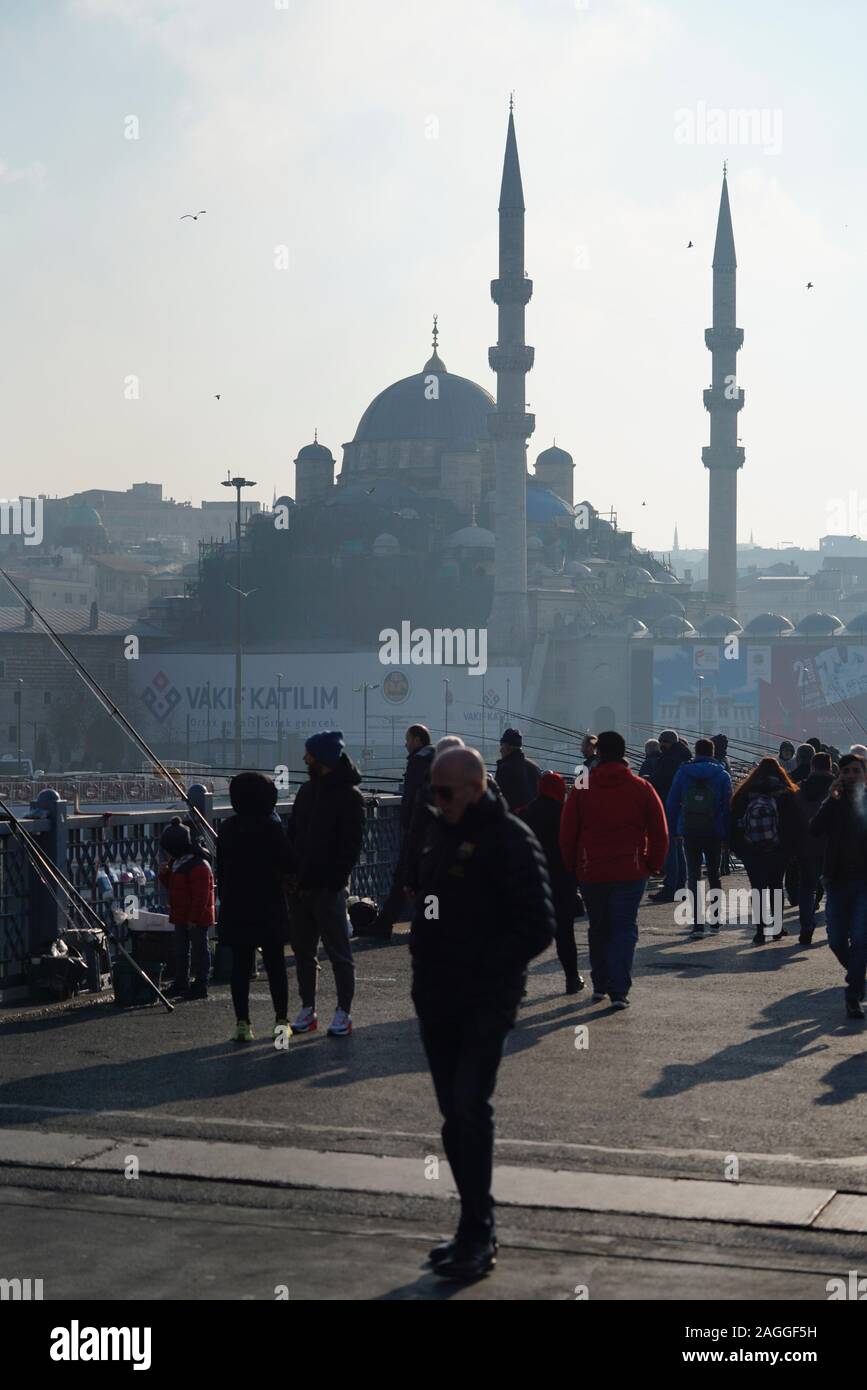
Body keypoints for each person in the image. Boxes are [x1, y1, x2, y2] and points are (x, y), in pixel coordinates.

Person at [411, 746, 554, 1281]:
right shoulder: (437, 831)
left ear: (476, 787)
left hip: (485, 998)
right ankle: (471, 1225)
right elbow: (427, 906)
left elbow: (538, 923)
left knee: (470, 1106)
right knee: (454, 1115)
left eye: (444, 792)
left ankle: (479, 1232)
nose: (436, 800)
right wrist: (422, 962)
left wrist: (481, 965)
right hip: (436, 996)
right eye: (432, 791)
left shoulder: (511, 838)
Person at [560, 730, 667, 1009]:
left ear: (599, 753)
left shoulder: (582, 785)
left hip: (591, 870)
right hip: (630, 870)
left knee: (598, 928)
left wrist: (571, 865)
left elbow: (567, 829)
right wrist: (653, 864)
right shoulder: (641, 787)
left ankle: (600, 984)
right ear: (624, 753)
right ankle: (619, 990)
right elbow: (659, 831)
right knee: (624, 929)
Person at [287, 730, 364, 1037]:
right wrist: (290, 874)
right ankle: (309, 1009)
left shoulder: (349, 796)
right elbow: (293, 836)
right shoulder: (307, 792)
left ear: (322, 758)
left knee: (338, 953)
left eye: (309, 754)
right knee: (303, 951)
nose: (305, 758)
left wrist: (334, 882)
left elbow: (350, 847)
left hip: (328, 888)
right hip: (301, 886)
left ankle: (343, 1012)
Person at [216, 772, 294, 1042]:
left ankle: (243, 1023)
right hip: (269, 903)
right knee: (275, 965)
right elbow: (288, 863)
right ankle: (281, 1022)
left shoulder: (227, 828)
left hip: (237, 904)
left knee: (241, 966)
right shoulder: (271, 828)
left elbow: (221, 870)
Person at [809, 754, 867, 1018]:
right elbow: (815, 829)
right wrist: (830, 801)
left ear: (864, 774)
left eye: (856, 771)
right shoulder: (834, 801)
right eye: (847, 771)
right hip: (837, 881)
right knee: (835, 940)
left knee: (860, 937)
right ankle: (858, 976)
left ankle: (853, 995)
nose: (851, 775)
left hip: (864, 882)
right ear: (839, 774)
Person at [519, 771, 585, 993]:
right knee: (565, 935)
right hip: (561, 881)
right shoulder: (565, 813)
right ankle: (571, 979)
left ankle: (519, 983)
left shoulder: (526, 813)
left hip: (532, 881)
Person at [370, 724, 436, 938]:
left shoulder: (418, 761)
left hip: (418, 829)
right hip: (434, 830)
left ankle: (385, 923)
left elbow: (410, 798)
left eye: (407, 739)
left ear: (417, 740)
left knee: (406, 876)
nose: (405, 744)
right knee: (428, 879)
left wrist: (407, 825)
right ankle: (430, 921)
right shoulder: (437, 759)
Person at [729, 758, 803, 944]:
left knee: (758, 888)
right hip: (779, 849)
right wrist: (792, 848)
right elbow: (796, 824)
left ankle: (760, 930)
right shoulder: (788, 792)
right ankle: (777, 928)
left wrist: (738, 847)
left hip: (751, 849)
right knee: (776, 886)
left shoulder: (744, 793)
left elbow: (733, 821)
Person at [666, 738, 732, 934]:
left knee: (693, 875)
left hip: (689, 829)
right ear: (712, 752)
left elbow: (672, 802)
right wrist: (727, 835)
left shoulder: (683, 772)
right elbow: (728, 807)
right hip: (714, 830)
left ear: (696, 752)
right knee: (714, 875)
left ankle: (697, 923)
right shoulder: (722, 775)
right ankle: (715, 919)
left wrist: (674, 830)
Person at [160, 817, 216, 999]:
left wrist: (194, 917)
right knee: (181, 950)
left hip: (196, 917)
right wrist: (165, 873)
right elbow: (173, 886)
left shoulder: (199, 865)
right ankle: (181, 981)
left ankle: (201, 984)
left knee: (200, 950)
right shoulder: (178, 863)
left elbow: (202, 897)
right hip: (181, 914)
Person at [795, 751, 834, 944]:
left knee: (807, 887)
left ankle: (806, 927)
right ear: (830, 765)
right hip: (834, 846)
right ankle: (834, 928)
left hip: (807, 844)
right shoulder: (839, 789)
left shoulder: (800, 789)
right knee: (835, 889)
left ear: (812, 766)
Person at [647, 729, 691, 902]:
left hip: (669, 806)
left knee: (671, 849)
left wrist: (648, 779)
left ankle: (670, 887)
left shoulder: (670, 759)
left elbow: (660, 780)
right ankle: (680, 886)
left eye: (662, 742)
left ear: (669, 742)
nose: (661, 745)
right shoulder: (682, 757)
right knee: (678, 848)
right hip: (680, 807)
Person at [494, 728, 540, 812]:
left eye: (502, 745)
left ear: (508, 747)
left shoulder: (505, 769)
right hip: (532, 820)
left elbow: (498, 798)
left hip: (512, 819)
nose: (500, 750)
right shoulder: (534, 767)